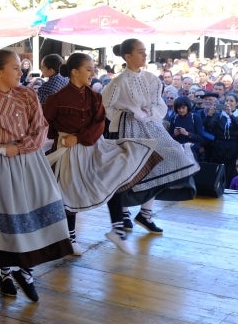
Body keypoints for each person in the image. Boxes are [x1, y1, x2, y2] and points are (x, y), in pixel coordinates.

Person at [0, 49, 73, 302]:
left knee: (35, 209)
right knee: (9, 216)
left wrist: (21, 148)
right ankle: (6, 272)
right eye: (15, 68)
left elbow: (41, 127)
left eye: (19, 67)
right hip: (1, 164)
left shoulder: (27, 95)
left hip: (30, 159)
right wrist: (0, 153)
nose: (20, 71)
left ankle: (25, 270)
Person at [43, 53, 159, 255]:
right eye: (88, 69)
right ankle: (70, 237)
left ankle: (117, 228)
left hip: (94, 146)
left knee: (113, 177)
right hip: (68, 150)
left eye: (93, 69)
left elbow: (99, 125)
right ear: (74, 72)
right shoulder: (57, 99)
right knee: (69, 191)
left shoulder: (95, 97)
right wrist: (60, 138)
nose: (93, 73)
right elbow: (44, 123)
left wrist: (79, 138)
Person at [102, 39, 199, 234]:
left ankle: (145, 214)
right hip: (127, 127)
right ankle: (125, 213)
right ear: (127, 56)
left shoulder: (152, 79)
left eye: (145, 51)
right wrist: (128, 113)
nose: (145, 55)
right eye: (140, 52)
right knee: (130, 171)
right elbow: (105, 105)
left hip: (152, 127)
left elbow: (159, 105)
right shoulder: (118, 82)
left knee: (166, 160)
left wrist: (148, 113)